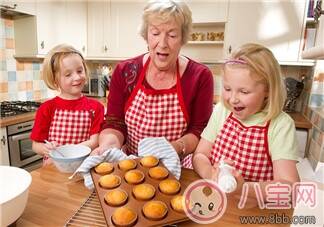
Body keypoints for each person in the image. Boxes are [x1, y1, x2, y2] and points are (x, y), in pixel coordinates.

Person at [92, 0, 214, 168]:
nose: (162, 43)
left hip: (177, 166)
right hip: (131, 165)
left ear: (182, 38)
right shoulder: (124, 72)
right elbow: (115, 122)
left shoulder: (200, 76)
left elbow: (199, 130)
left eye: (172, 35)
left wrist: (175, 148)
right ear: (146, 35)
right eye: (155, 33)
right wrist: (108, 145)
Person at [193, 43, 300, 199]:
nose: (233, 99)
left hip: (254, 208)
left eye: (244, 91)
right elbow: (200, 155)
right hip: (217, 200)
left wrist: (243, 189)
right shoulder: (222, 110)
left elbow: (290, 187)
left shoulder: (280, 125)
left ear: (268, 90)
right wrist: (211, 175)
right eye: (227, 89)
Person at [31, 44, 105, 163]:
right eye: (68, 74)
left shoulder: (96, 107)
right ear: (55, 80)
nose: (77, 77)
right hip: (53, 167)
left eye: (80, 71)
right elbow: (36, 145)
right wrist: (45, 148)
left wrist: (69, 152)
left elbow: (95, 141)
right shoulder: (47, 108)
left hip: (82, 164)